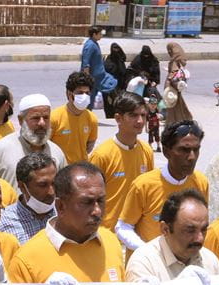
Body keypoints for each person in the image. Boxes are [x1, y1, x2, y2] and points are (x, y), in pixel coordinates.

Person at [8, 162, 125, 285]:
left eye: (100, 201)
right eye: (87, 202)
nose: (97, 211)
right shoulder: (26, 260)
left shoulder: (111, 242)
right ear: (61, 206)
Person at [116, 119, 208, 250]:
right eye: (184, 150)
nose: (192, 157)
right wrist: (149, 253)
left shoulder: (201, 183)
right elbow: (123, 227)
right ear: (166, 152)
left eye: (196, 149)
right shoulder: (143, 185)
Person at [89, 92, 154, 231]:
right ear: (118, 118)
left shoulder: (146, 151)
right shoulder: (102, 155)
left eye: (143, 115)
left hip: (136, 235)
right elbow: (89, 199)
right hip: (108, 235)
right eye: (133, 115)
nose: (140, 121)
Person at [126, 189, 219, 284]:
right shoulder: (144, 262)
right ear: (165, 229)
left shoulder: (210, 261)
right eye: (190, 230)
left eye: (204, 229)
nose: (200, 238)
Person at [0, 94, 68, 188]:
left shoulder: (56, 152)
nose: (42, 123)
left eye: (46, 118)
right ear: (21, 120)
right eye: (36, 118)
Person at [0, 153, 58, 244]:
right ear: (22, 186)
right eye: (42, 185)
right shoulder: (3, 223)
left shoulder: (66, 215)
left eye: (54, 183)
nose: (51, 192)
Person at [51, 72, 99, 164]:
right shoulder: (54, 117)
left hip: (81, 168)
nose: (84, 96)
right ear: (69, 94)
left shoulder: (91, 118)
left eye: (87, 93)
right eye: (80, 92)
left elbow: (89, 146)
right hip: (59, 169)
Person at [80, 26, 116, 112]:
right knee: (89, 99)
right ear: (94, 34)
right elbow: (86, 63)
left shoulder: (95, 43)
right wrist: (87, 78)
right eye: (100, 34)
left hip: (99, 77)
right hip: (92, 78)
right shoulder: (89, 45)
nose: (101, 36)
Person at [162, 43, 193, 128]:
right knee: (178, 103)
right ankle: (185, 118)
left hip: (172, 88)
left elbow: (173, 73)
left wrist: (168, 80)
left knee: (172, 105)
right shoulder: (179, 59)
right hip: (176, 88)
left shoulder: (174, 61)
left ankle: (173, 122)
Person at [102, 43, 127, 118]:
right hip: (108, 86)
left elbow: (123, 74)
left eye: (117, 49)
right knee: (108, 104)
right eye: (114, 49)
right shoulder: (108, 60)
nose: (115, 51)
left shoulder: (120, 61)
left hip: (119, 87)